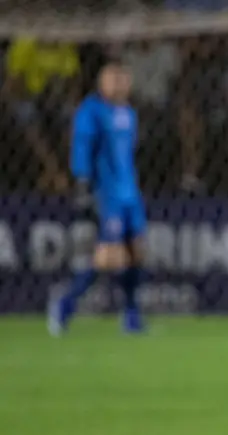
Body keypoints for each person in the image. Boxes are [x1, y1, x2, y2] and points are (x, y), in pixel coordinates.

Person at [49, 60, 147, 335]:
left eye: (122, 78)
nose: (119, 83)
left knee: (137, 252)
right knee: (108, 258)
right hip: (108, 194)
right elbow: (82, 147)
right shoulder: (91, 111)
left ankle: (131, 316)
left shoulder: (129, 113)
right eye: (112, 78)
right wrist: (83, 183)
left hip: (131, 193)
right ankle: (65, 304)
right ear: (101, 82)